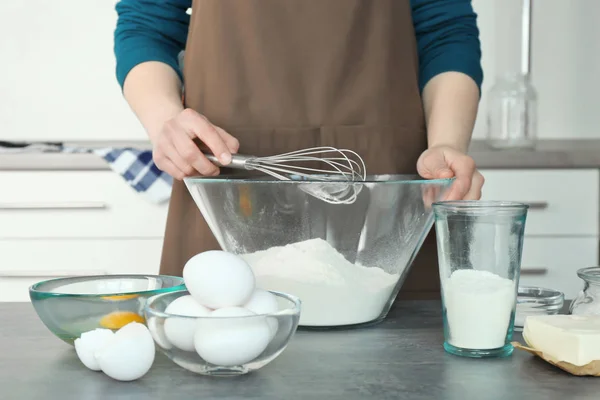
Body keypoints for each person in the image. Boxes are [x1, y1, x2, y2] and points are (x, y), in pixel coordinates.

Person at [114, 0, 485, 300]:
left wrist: (446, 143)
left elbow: (446, 32)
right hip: (228, 180)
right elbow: (148, 24)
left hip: (385, 188)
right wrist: (165, 118)